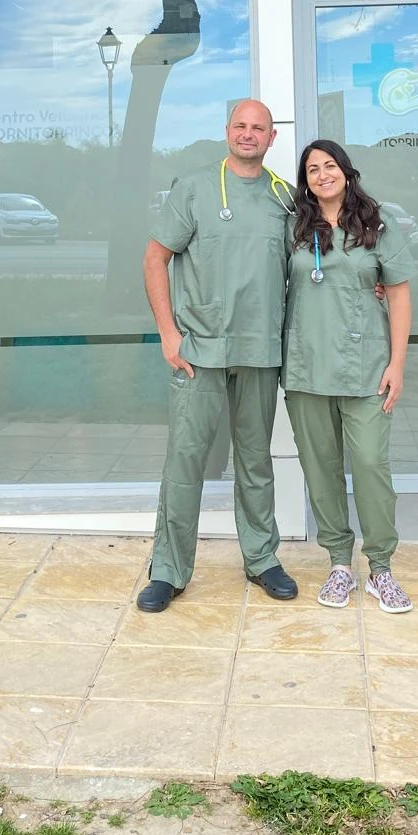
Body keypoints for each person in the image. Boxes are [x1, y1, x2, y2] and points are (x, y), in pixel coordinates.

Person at [137, 99, 299, 612]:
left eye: (259, 128)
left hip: (259, 350)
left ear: (272, 138)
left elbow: (319, 264)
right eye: (240, 126)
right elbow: (155, 259)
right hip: (199, 350)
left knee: (255, 461)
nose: (248, 134)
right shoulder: (194, 189)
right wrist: (168, 333)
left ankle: (262, 559)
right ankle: (168, 570)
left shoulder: (285, 199)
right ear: (227, 131)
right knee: (186, 461)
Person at [283, 139, 415, 612]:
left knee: (371, 468)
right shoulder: (295, 228)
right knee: (320, 471)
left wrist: (397, 363)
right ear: (306, 180)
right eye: (312, 169)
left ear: (346, 170)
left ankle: (381, 569)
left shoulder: (377, 224)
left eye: (329, 165)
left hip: (366, 369)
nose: (322, 174)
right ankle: (340, 563)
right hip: (306, 368)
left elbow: (398, 293)